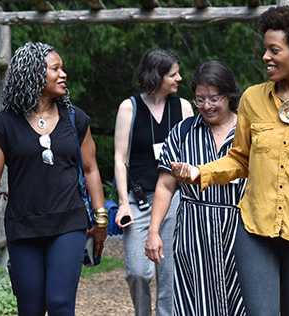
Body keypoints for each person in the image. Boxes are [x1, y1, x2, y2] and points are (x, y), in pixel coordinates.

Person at [170, 6, 289, 315]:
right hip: (254, 233)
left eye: (274, 50)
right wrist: (200, 172)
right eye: (265, 49)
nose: (265, 57)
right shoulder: (253, 99)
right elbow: (240, 159)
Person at [0, 42, 108, 316]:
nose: (63, 74)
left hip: (68, 222)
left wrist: (101, 219)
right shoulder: (6, 123)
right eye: (55, 69)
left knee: (59, 304)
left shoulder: (75, 119)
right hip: (23, 225)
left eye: (62, 68)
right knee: (30, 308)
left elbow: (91, 169)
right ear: (34, 73)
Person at [145, 61, 248, 315]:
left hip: (240, 231)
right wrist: (154, 231)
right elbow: (166, 186)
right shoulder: (183, 132)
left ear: (229, 95)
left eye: (214, 99)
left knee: (242, 303)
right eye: (200, 100)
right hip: (194, 233)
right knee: (194, 304)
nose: (206, 106)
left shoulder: (248, 132)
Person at [113, 48, 194, 316]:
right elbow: (120, 159)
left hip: (173, 200)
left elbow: (192, 155)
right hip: (137, 200)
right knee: (138, 271)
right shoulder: (129, 107)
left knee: (169, 273)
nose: (179, 78)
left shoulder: (183, 107)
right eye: (173, 74)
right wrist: (123, 203)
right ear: (156, 76)